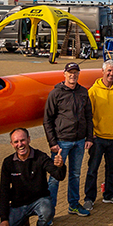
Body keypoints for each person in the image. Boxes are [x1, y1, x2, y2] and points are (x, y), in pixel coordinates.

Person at [0, 127, 61, 226]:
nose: (20, 145)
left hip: (39, 201)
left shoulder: (40, 157)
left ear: (29, 139)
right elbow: (4, 191)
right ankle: (24, 220)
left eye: (23, 140)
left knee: (47, 210)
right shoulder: (8, 163)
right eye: (16, 142)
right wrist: (3, 219)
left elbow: (59, 176)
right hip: (18, 206)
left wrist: (60, 166)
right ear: (12, 144)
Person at [43, 62, 92, 217]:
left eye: (75, 72)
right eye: (70, 73)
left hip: (79, 141)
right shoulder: (56, 94)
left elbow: (89, 117)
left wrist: (89, 137)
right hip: (61, 142)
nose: (73, 75)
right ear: (64, 74)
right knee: (55, 178)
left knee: (75, 175)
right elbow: (47, 120)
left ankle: (74, 204)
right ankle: (49, 212)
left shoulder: (83, 92)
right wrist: (52, 143)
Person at [83, 59, 113, 207]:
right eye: (108, 71)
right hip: (98, 138)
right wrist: (91, 134)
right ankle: (89, 199)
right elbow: (87, 115)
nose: (111, 74)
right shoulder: (93, 91)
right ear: (103, 72)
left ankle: (110, 194)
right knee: (92, 169)